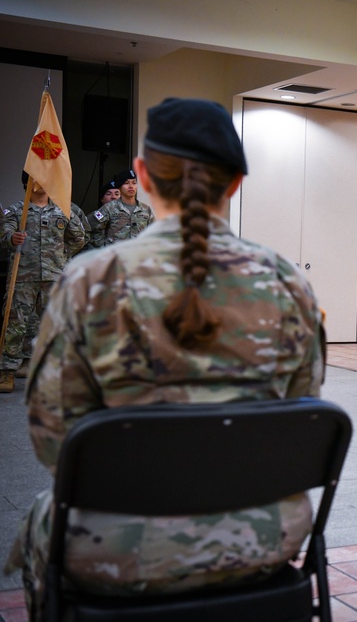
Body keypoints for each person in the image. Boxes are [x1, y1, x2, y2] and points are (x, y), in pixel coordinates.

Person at [2, 98, 326, 619]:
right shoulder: (290, 284)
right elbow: (299, 412)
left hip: (117, 547)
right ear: (237, 182)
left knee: (42, 521)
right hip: (264, 535)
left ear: (146, 177)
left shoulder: (89, 281)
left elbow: (52, 440)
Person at [0, 173, 87, 393]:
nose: (39, 182)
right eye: (33, 178)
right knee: (15, 324)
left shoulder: (63, 209)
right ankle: (8, 372)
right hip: (23, 276)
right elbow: (4, 235)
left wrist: (60, 256)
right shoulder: (16, 210)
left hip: (54, 276)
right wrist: (12, 239)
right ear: (26, 183)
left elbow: (79, 237)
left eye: (42, 177)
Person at [88, 168, 156, 247]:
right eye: (126, 183)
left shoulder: (146, 210)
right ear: (119, 187)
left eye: (134, 183)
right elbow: (94, 228)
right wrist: (102, 249)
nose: (131, 186)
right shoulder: (109, 208)